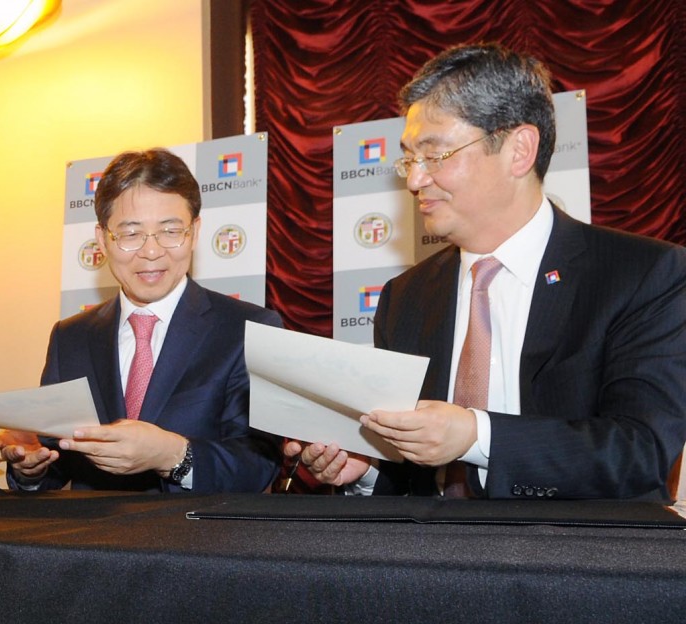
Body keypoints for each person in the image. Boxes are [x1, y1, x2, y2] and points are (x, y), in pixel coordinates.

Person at [286, 42, 686, 500]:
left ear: (519, 150)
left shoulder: (641, 275)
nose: (415, 180)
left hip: (576, 559)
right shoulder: (406, 296)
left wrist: (477, 435)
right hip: (428, 561)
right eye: (409, 159)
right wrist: (366, 471)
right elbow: (414, 480)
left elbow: (643, 451)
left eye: (435, 155)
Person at [0, 148, 282, 493]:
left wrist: (174, 455)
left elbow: (259, 464)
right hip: (93, 543)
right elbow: (56, 460)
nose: (151, 251)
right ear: (102, 239)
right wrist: (31, 468)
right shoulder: (70, 338)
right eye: (131, 234)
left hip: (199, 542)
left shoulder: (248, 329)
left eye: (170, 230)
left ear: (195, 231)